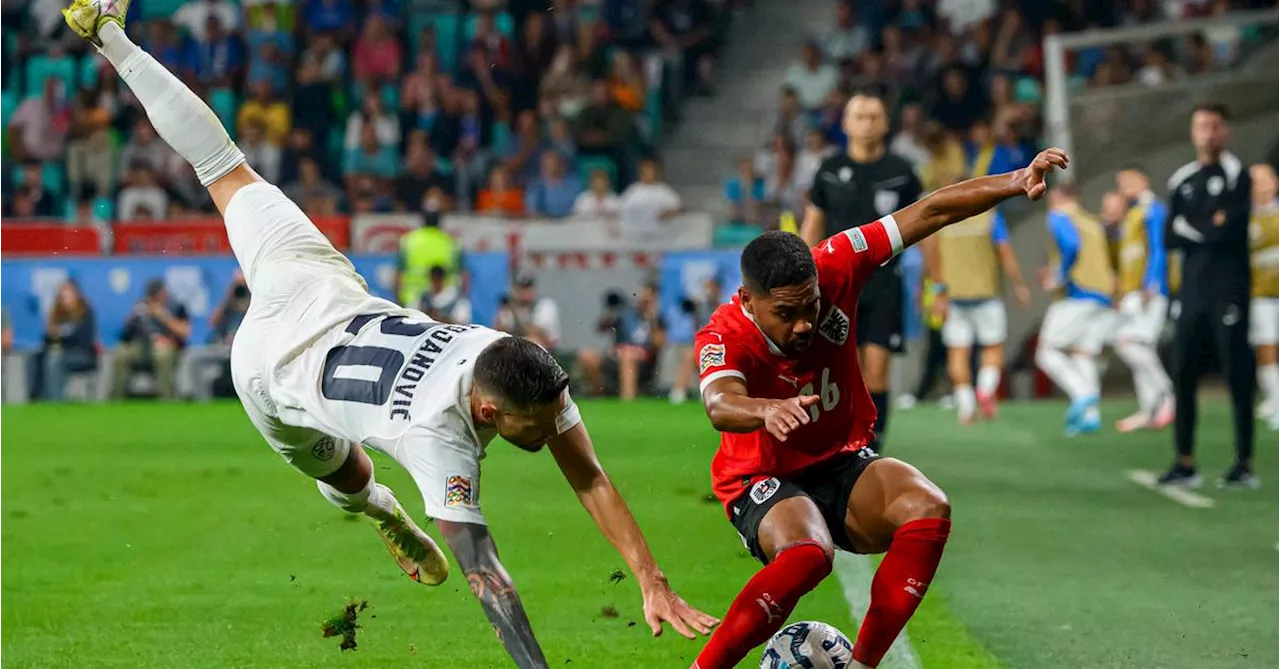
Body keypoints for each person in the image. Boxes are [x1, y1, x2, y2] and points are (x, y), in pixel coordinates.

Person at [62, 4, 716, 664]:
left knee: (222, 165)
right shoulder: (440, 441)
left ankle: (108, 34)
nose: (549, 437)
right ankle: (383, 510)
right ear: (489, 412)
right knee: (349, 474)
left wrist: (650, 578)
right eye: (535, 429)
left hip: (316, 285)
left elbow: (590, 474)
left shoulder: (516, 362)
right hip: (268, 366)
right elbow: (486, 575)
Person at [690, 147, 1070, 669]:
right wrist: (764, 411)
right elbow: (718, 402)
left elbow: (928, 212)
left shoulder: (838, 261)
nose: (803, 323)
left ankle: (862, 666)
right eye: (785, 313)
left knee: (927, 507)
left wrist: (1014, 179)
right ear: (748, 299)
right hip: (763, 474)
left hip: (840, 459)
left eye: (811, 306)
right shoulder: (724, 334)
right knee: (808, 556)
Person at [800, 92, 923, 450]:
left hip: (883, 285)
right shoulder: (828, 170)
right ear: (846, 123)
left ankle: (872, 446)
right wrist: (804, 273)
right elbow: (813, 223)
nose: (867, 124)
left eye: (874, 117)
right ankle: (836, 444)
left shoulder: (901, 173)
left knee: (877, 369)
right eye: (860, 116)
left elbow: (923, 224)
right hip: (835, 288)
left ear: (885, 124)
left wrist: (937, 282)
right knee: (838, 370)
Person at [1159, 103, 1256, 489]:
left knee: (1237, 374)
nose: (1208, 133)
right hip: (1193, 292)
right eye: (1201, 126)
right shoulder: (1182, 179)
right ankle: (1184, 462)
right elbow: (1168, 236)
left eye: (1215, 126)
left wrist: (1190, 225)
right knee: (1183, 373)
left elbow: (1227, 232)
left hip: (1229, 290)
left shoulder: (1238, 176)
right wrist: (1206, 224)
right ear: (1193, 132)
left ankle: (1243, 463)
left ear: (1226, 132)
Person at [927, 206, 1029, 424]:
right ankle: (985, 389)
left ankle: (965, 407)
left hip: (954, 295)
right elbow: (1005, 252)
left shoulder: (945, 218)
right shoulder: (990, 217)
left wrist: (938, 292)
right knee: (993, 347)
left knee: (957, 352)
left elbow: (933, 256)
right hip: (986, 294)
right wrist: (1019, 284)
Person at [1035, 185, 1115, 437]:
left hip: (1078, 294)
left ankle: (1083, 394)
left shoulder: (1058, 216)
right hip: (1102, 295)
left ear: (1057, 198)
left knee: (1046, 352)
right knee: (1083, 353)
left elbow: (1070, 245)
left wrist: (1059, 277)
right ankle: (1091, 417)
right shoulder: (1091, 221)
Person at [1111, 166, 1176, 432]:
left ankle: (1168, 395)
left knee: (1127, 343)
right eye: (1121, 182)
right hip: (1132, 292)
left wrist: (1153, 282)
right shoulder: (1133, 213)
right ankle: (1150, 409)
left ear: (1144, 180)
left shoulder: (1153, 209)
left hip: (1148, 291)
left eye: (1129, 181)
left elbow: (1159, 247)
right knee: (1141, 350)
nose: (1125, 187)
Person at [113, 278, 191, 400]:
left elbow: (184, 332)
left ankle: (166, 398)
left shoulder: (176, 306)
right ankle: (117, 398)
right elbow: (125, 336)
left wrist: (162, 315)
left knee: (162, 354)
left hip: (168, 346)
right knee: (120, 353)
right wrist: (133, 317)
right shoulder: (142, 308)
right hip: (143, 346)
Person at [1250, 163, 1280, 427]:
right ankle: (1275, 399)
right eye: (1254, 181)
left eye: (1264, 180)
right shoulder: (1245, 220)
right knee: (1267, 346)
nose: (1260, 185)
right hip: (1259, 295)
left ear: (1275, 182)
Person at [42, 279, 98, 402]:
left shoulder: (86, 312)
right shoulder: (56, 313)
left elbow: (85, 339)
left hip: (83, 354)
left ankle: (55, 401)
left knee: (55, 360)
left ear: (76, 295)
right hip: (62, 352)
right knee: (37, 359)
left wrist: (62, 334)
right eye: (62, 296)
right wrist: (52, 334)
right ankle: (37, 397)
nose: (64, 299)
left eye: (67, 295)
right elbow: (47, 339)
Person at [494, 275, 561, 351]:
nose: (525, 293)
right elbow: (499, 332)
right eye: (522, 289)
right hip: (517, 349)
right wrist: (502, 312)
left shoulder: (545, 305)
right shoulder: (512, 307)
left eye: (528, 289)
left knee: (532, 341)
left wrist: (515, 311)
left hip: (546, 351)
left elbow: (537, 332)